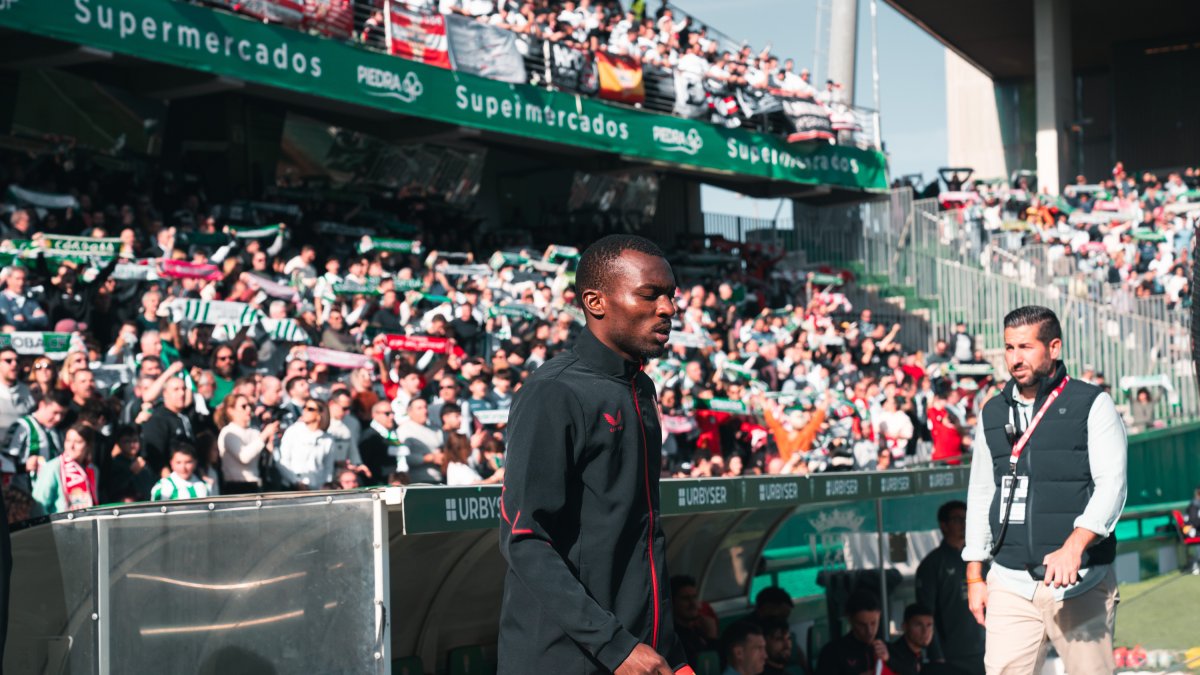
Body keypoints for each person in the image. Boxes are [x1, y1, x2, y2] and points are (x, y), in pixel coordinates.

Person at [498, 235, 684, 673]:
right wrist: (615, 646)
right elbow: (524, 539)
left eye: (671, 295)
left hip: (638, 655)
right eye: (650, 294)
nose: (668, 309)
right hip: (569, 660)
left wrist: (671, 653)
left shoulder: (640, 388)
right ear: (595, 302)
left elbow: (641, 542)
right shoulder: (553, 391)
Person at [964, 306, 1126, 674]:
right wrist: (975, 573)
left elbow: (1113, 485)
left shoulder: (1092, 403)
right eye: (1009, 347)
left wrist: (1074, 546)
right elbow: (981, 493)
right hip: (1009, 582)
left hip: (1081, 582)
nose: (1015, 359)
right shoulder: (992, 412)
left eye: (1025, 347)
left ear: (1054, 347)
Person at [916, 501, 983, 675]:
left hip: (984, 648)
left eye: (966, 519)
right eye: (957, 519)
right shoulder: (932, 564)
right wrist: (936, 654)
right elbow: (926, 614)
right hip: (951, 655)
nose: (964, 524)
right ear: (944, 525)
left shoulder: (978, 558)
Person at [3, 388, 68, 493]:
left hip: (49, 492)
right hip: (24, 493)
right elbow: (5, 463)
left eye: (63, 414)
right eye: (55, 412)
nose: (58, 418)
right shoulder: (22, 426)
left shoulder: (57, 431)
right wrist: (24, 467)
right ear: (42, 405)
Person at [815, 589, 889, 675]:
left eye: (873, 623)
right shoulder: (832, 653)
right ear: (850, 620)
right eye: (862, 625)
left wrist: (888, 663)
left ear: (879, 615)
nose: (869, 631)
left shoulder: (887, 650)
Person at [217, 394, 279, 494]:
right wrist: (265, 434)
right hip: (236, 487)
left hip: (257, 485)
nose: (249, 409)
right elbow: (244, 457)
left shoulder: (255, 432)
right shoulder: (228, 432)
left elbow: (265, 462)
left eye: (249, 405)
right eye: (243, 406)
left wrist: (269, 446)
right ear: (230, 410)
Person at [31, 423, 98, 515]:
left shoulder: (92, 470)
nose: (71, 446)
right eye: (68, 440)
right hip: (58, 523)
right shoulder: (53, 467)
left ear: (88, 445)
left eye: (78, 442)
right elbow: (39, 505)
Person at [140, 377, 196, 476]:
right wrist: (169, 480)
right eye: (176, 389)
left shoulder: (184, 416)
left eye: (183, 389)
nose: (182, 393)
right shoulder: (158, 418)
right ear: (165, 393)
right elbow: (155, 456)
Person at [276, 398, 334, 490]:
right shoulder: (293, 431)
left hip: (317, 489)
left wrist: (324, 485)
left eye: (310, 409)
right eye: (304, 407)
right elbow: (283, 461)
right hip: (293, 487)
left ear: (320, 414)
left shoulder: (327, 439)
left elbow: (328, 467)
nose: (305, 411)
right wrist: (296, 481)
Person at [671, 575, 718, 666]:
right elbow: (708, 667)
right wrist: (712, 638)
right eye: (685, 598)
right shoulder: (674, 638)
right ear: (673, 602)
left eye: (694, 597)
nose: (693, 603)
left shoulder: (698, 630)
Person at [0, 347, 34, 448]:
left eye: (17, 361)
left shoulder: (27, 391)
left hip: (21, 451)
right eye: (8, 361)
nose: (14, 364)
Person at [886, 604, 934, 675]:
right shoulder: (891, 656)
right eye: (918, 625)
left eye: (929, 625)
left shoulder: (919, 656)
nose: (925, 631)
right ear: (905, 627)